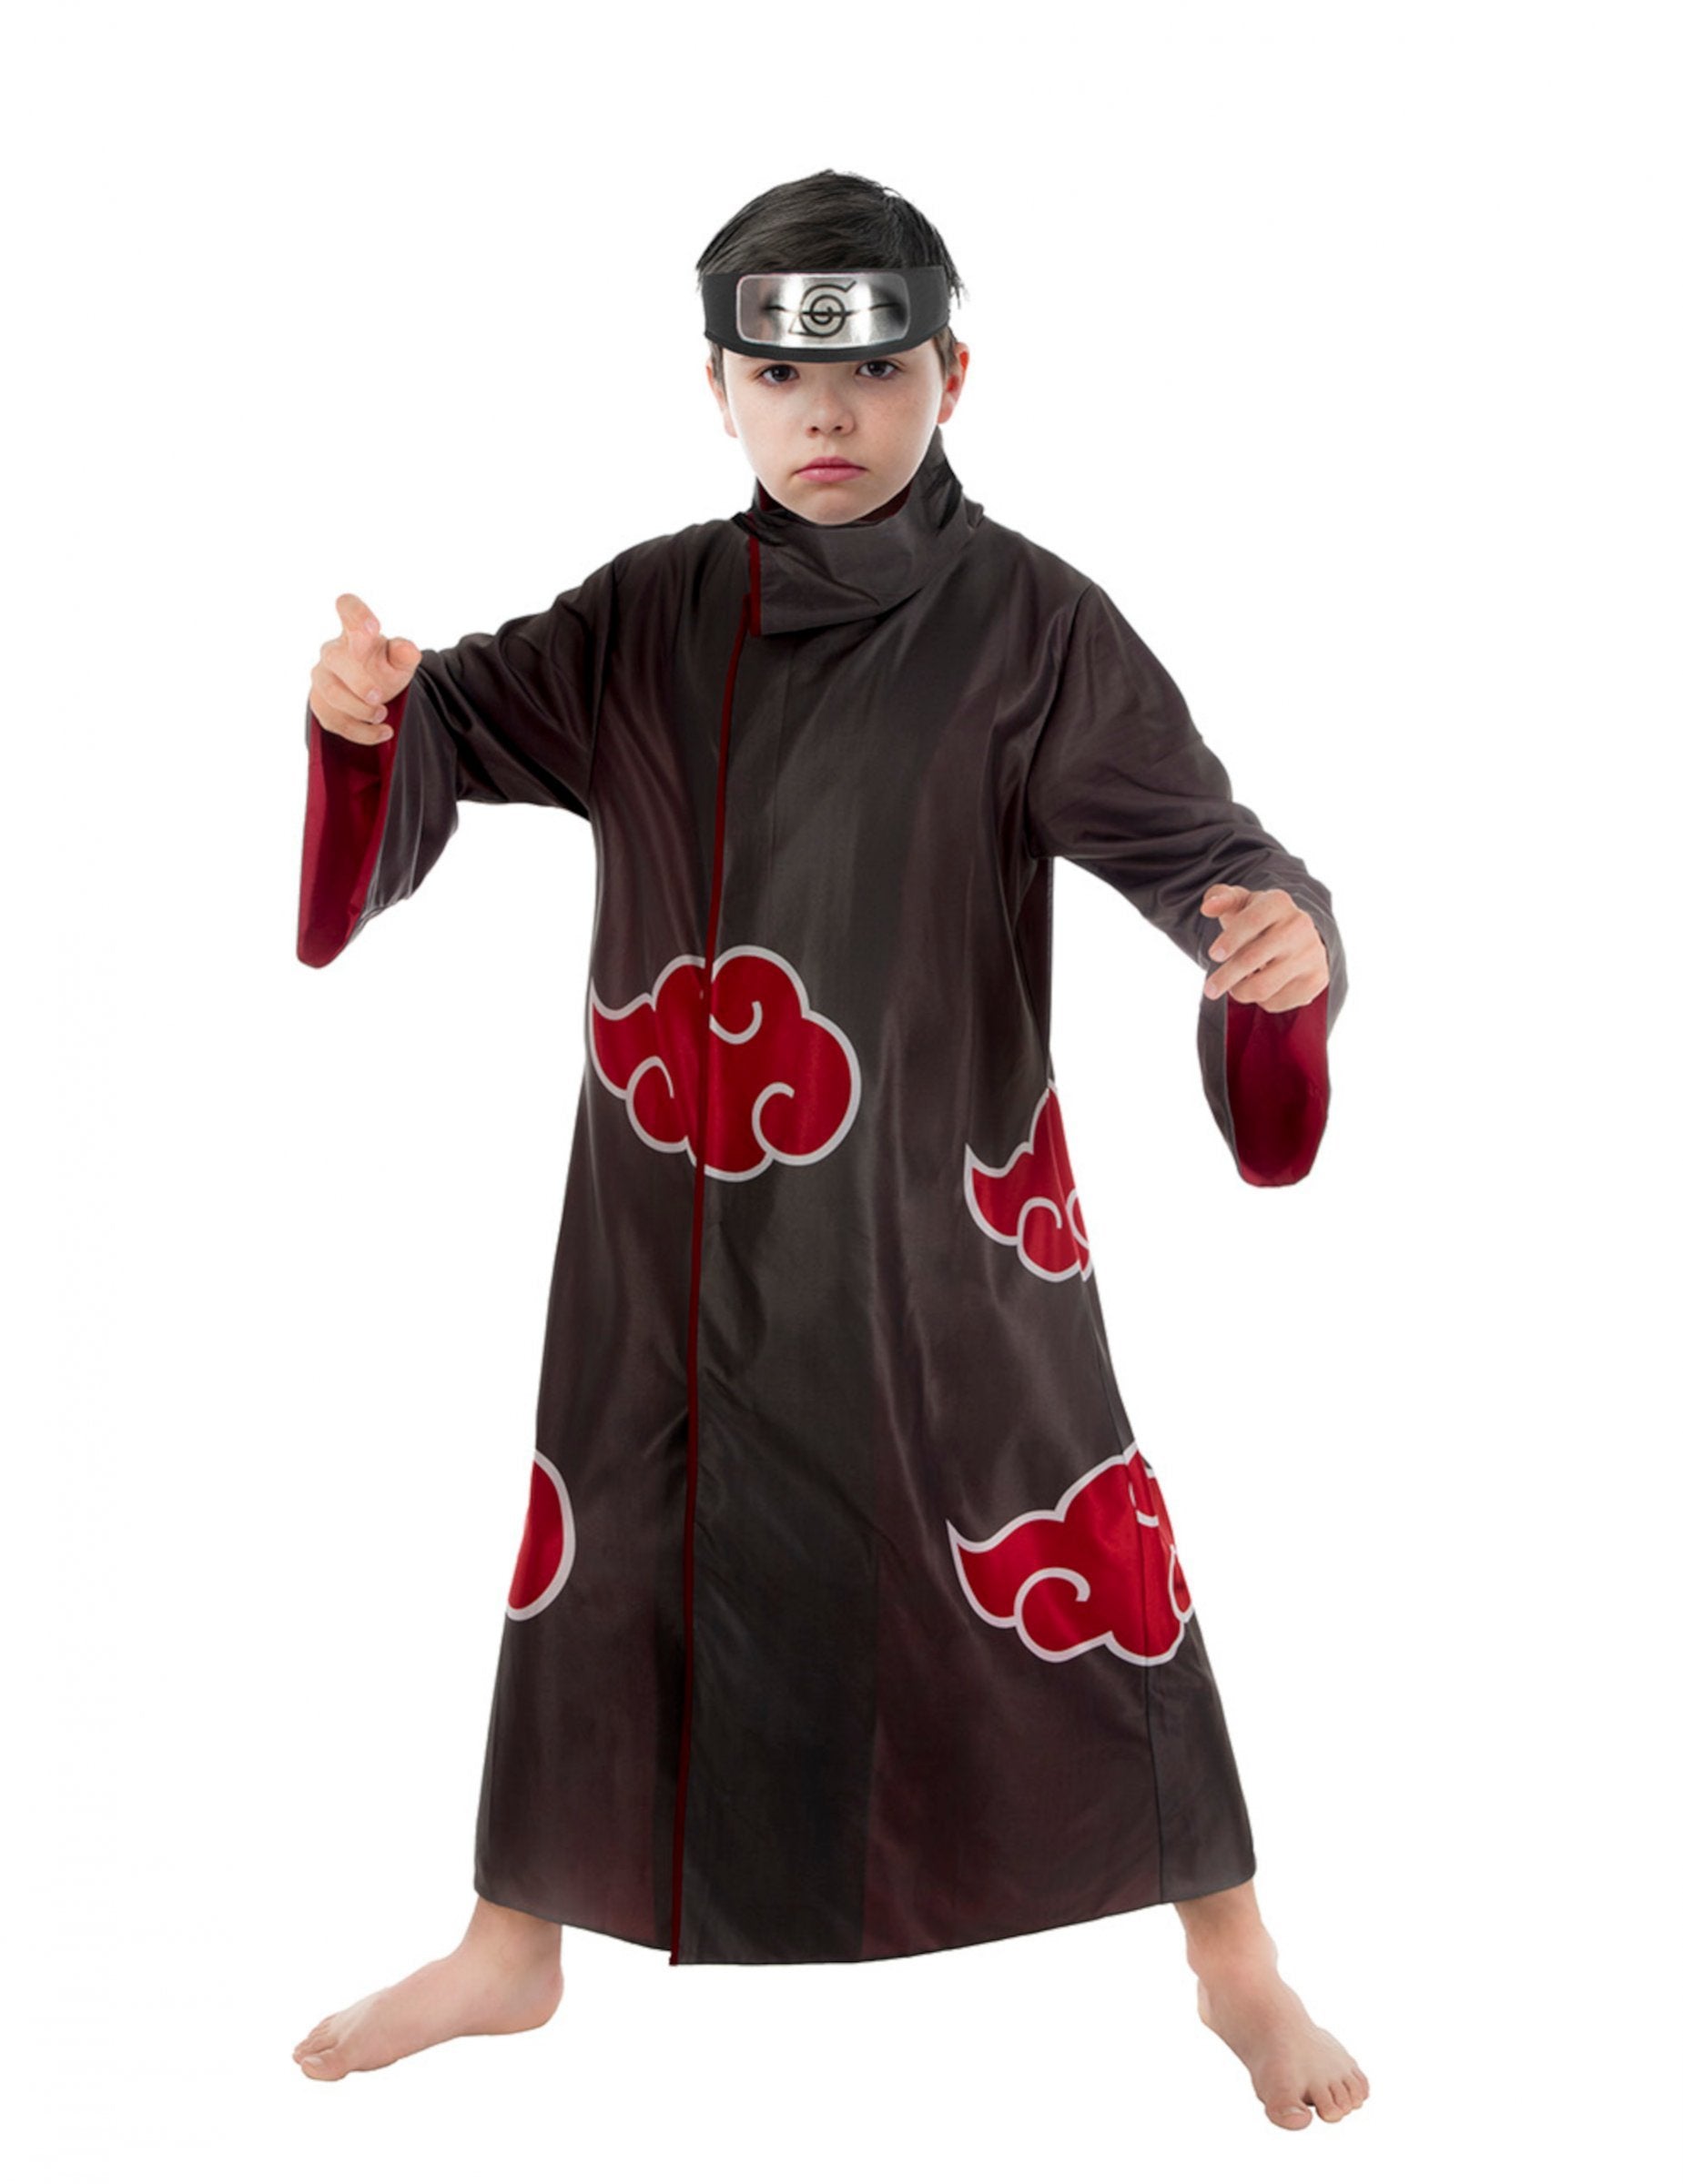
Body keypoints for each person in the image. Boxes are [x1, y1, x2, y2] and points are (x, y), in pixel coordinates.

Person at [289, 168, 1369, 2132]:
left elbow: (1208, 850)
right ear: (715, 387)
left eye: (874, 373)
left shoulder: (1030, 622)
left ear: (953, 373)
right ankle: (513, 1947)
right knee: (609, 1542)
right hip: (669, 1206)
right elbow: (447, 728)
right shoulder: (646, 612)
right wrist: (368, 722)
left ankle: (1234, 1957)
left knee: (1074, 1532)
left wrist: (1276, 943)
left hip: (935, 1211)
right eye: (783, 379)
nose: (830, 417)